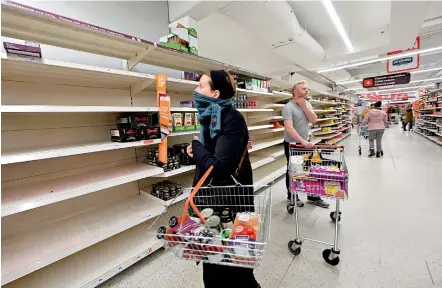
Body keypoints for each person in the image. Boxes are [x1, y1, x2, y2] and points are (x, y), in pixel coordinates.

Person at [186, 70, 260, 288]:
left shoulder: (232, 118)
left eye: (201, 86)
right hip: (213, 201)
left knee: (239, 265)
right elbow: (210, 160)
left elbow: (220, 168)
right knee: (213, 263)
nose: (196, 91)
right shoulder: (210, 117)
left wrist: (197, 147)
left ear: (215, 93)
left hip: (233, 203)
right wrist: (196, 153)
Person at [282, 80, 329, 208]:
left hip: (305, 143)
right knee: (294, 170)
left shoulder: (307, 103)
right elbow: (289, 128)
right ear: (295, 92)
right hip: (293, 144)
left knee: (310, 168)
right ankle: (292, 195)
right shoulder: (288, 107)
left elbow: (314, 120)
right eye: (303, 89)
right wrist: (302, 142)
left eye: (307, 89)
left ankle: (313, 195)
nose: (307, 90)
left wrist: (304, 107)